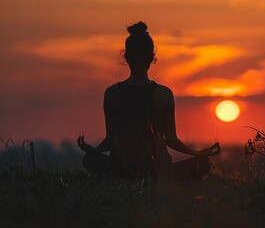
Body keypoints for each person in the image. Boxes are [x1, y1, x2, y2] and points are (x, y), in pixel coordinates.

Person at [77, 21, 220, 180]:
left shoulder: (112, 93)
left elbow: (110, 140)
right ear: (152, 58)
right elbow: (171, 140)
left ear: (126, 57)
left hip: (121, 170)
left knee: (88, 160)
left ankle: (118, 179)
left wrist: (93, 151)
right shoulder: (163, 94)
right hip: (157, 172)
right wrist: (197, 153)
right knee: (203, 163)